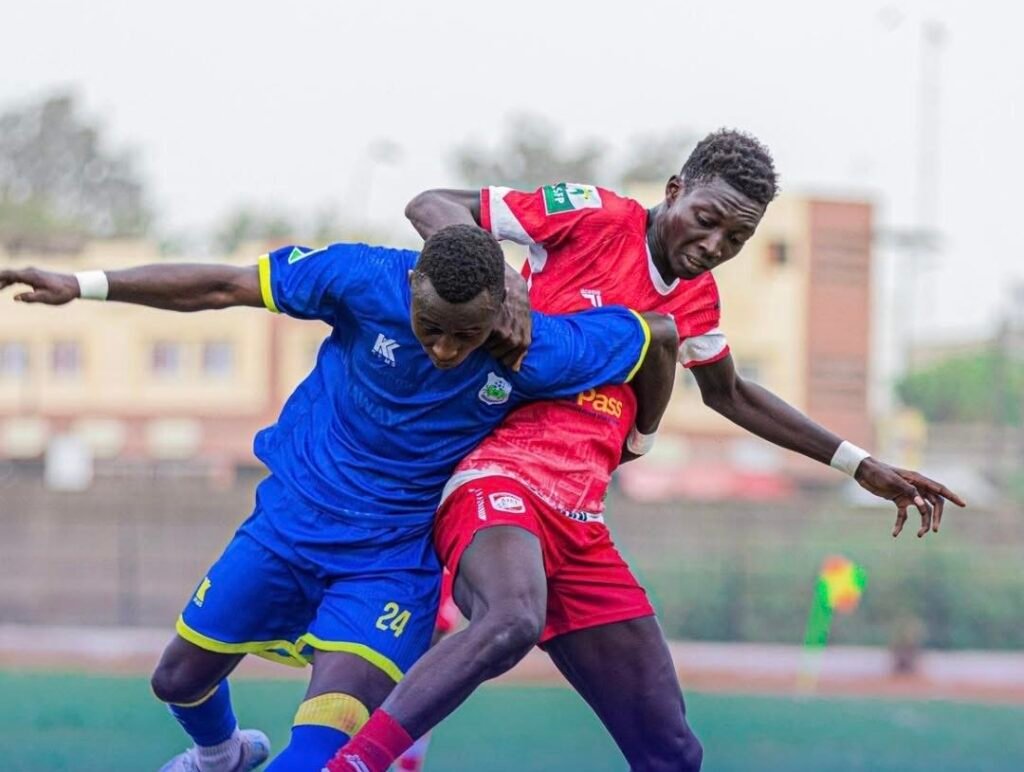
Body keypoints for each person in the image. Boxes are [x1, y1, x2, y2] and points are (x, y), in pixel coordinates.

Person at [326, 130, 965, 772]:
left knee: (673, 753)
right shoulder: (594, 216)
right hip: (500, 478)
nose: (713, 246)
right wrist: (500, 279)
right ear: (674, 191)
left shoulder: (696, 300)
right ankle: (353, 765)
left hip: (580, 523)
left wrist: (862, 464)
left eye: (735, 241)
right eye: (707, 221)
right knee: (511, 619)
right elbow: (432, 203)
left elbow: (731, 394)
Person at [0, 224, 680, 772]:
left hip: (388, 565)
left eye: (464, 336)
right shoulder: (362, 278)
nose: (444, 348)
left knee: (319, 754)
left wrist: (639, 439)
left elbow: (659, 336)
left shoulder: (541, 348)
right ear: (411, 286)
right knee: (176, 681)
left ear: (498, 317)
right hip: (287, 529)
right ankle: (222, 754)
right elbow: (223, 287)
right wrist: (83, 286)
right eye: (429, 326)